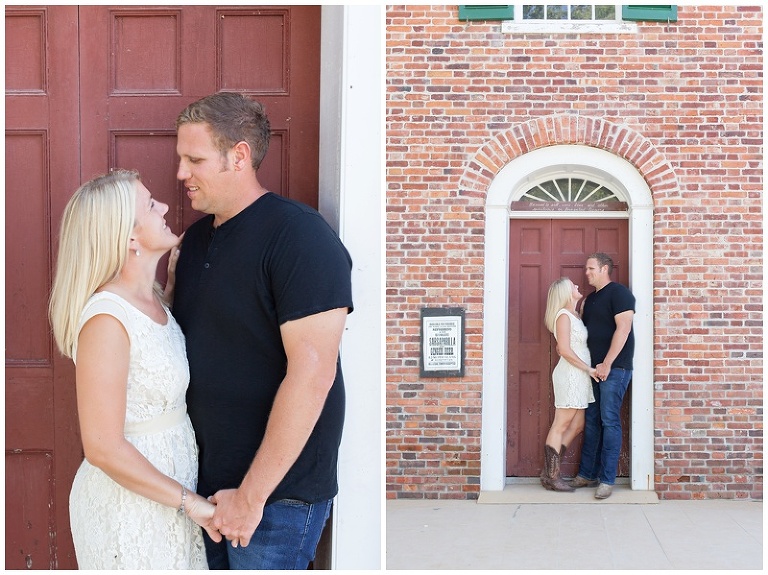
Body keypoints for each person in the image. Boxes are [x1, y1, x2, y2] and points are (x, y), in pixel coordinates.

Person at [172, 92, 354, 570]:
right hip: (204, 490)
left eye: (194, 159)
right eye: (180, 159)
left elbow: (313, 374)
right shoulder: (194, 241)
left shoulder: (300, 237)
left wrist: (251, 497)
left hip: (276, 500)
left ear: (238, 156)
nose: (181, 174)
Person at [48, 169, 221, 569]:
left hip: (170, 492)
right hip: (129, 507)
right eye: (150, 204)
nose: (163, 207)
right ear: (128, 237)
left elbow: (152, 359)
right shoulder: (106, 320)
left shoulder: (155, 301)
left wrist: (173, 288)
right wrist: (189, 503)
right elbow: (103, 447)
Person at [569, 253, 635, 499]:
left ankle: (607, 480)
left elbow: (624, 328)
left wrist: (607, 363)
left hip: (614, 369)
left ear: (605, 268)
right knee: (593, 421)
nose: (587, 273)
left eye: (591, 268)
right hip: (594, 370)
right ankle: (587, 474)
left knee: (609, 421)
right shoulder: (590, 299)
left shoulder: (619, 293)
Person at [540, 278, 598, 491]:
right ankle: (552, 476)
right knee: (561, 424)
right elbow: (563, 349)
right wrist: (588, 368)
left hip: (579, 375)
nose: (577, 287)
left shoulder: (574, 315)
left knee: (577, 424)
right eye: (573, 286)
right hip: (571, 374)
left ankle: (548, 471)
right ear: (566, 293)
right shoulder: (563, 316)